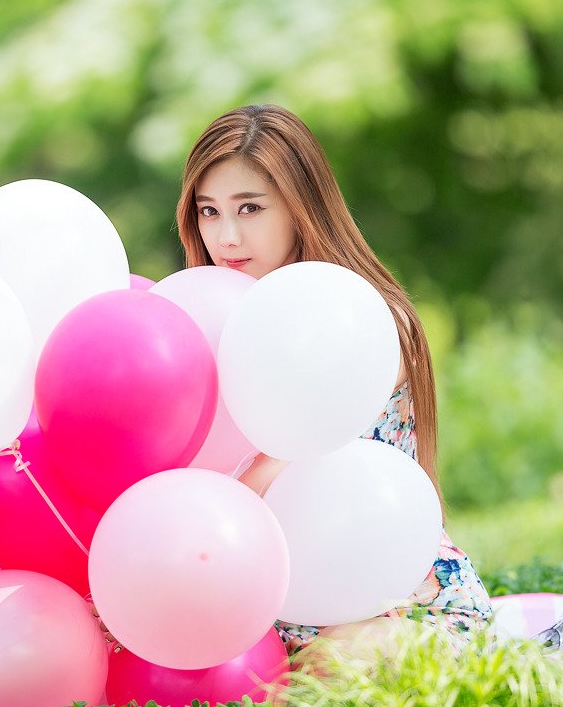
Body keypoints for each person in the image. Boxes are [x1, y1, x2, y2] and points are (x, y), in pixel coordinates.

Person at [175, 103, 494, 671]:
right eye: (209, 211)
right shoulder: (210, 321)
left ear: (301, 209)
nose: (225, 235)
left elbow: (275, 472)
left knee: (327, 668)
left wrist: (175, 541)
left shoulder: (364, 322)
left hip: (387, 605)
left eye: (250, 209)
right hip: (261, 604)